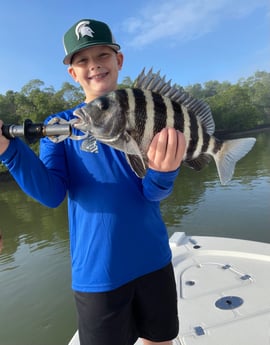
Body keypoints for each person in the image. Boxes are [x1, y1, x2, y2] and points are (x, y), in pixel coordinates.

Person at [0, 19, 186, 345]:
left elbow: (153, 193)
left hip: (155, 261)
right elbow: (51, 194)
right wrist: (9, 151)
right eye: (82, 60)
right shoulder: (58, 127)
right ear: (73, 73)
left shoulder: (149, 113)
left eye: (103, 55)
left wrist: (164, 172)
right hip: (99, 276)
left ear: (119, 61)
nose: (94, 65)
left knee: (161, 341)